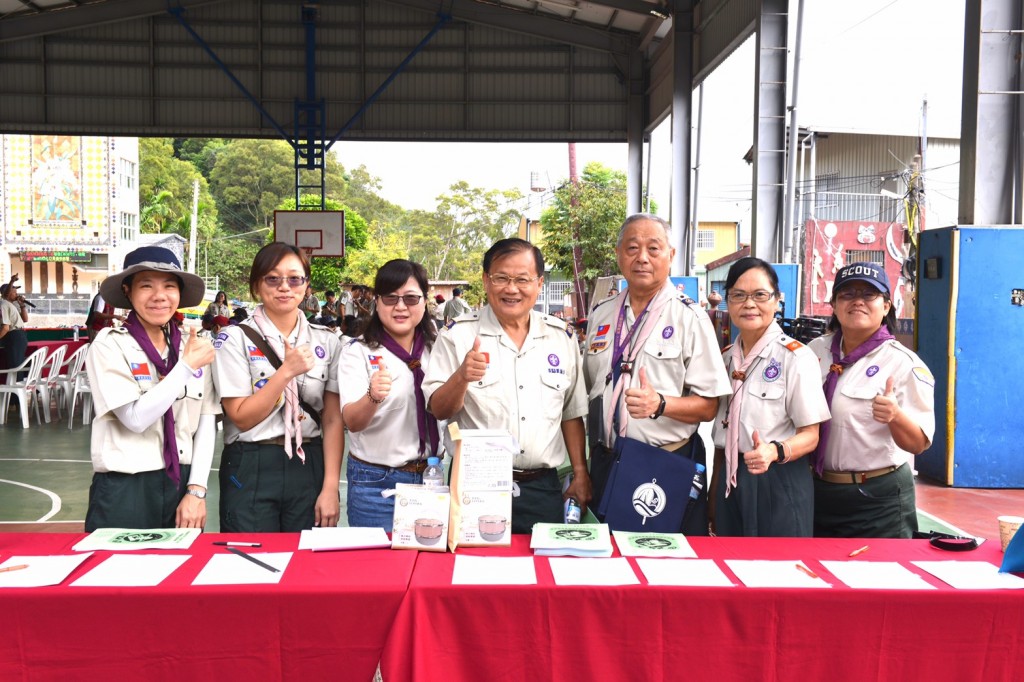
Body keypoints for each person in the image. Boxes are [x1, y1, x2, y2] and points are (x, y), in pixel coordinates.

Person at [424, 238, 590, 533]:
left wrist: (580, 472)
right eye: (501, 278)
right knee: (475, 574)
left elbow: (571, 412)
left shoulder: (561, 338)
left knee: (542, 575)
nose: (511, 289)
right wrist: (461, 377)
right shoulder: (457, 336)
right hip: (476, 485)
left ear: (539, 283)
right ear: (486, 281)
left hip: (542, 487)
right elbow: (438, 409)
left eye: (522, 280)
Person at [582, 214, 731, 535]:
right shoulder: (601, 314)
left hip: (661, 466)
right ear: (619, 253)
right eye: (632, 248)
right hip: (606, 462)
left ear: (671, 255)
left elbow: (708, 407)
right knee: (606, 568)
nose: (642, 258)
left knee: (663, 568)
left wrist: (660, 404)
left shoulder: (690, 318)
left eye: (653, 248)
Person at [83, 246, 219, 531]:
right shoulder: (110, 345)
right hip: (125, 489)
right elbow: (134, 419)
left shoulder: (192, 344)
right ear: (128, 291)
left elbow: (206, 422)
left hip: (181, 486)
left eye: (169, 286)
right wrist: (185, 367)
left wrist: (196, 490)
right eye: (146, 286)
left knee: (180, 573)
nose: (159, 296)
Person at [212, 242, 343, 532]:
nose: (285, 287)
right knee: (251, 561)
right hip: (252, 462)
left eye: (295, 278)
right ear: (257, 285)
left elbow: (333, 419)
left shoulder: (327, 341)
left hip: (309, 461)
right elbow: (241, 417)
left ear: (307, 286)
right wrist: (285, 373)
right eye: (273, 278)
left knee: (306, 565)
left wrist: (331, 486)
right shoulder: (234, 339)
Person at [807, 262, 935, 539]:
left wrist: (896, 416)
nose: (858, 302)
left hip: (877, 498)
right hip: (816, 491)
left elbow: (917, 444)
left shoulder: (903, 364)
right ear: (834, 305)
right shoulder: (813, 352)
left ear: (886, 306)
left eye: (869, 295)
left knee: (876, 578)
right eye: (847, 294)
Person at [709, 257, 830, 537]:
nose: (749, 304)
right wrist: (714, 497)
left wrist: (773, 451)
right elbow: (722, 438)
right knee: (730, 568)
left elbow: (811, 435)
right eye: (738, 295)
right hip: (730, 477)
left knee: (779, 572)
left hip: (779, 478)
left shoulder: (796, 357)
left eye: (760, 295)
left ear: (777, 301)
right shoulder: (726, 359)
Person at [340, 259, 442, 530]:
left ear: (424, 300)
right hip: (375, 483)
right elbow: (352, 422)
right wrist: (372, 396)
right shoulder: (358, 351)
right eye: (390, 298)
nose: (400, 307)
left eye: (410, 298)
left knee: (429, 566)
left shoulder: (440, 349)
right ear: (376, 301)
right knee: (377, 570)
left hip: (434, 478)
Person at [1, 276, 30, 377]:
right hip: (14, 336)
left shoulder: (11, 305)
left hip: (19, 335)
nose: (17, 294)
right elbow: (5, 327)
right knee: (16, 366)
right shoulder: (4, 304)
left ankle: (18, 390)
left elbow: (25, 319)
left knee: (18, 365)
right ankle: (16, 391)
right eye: (14, 292)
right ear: (7, 293)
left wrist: (22, 305)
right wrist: (12, 280)